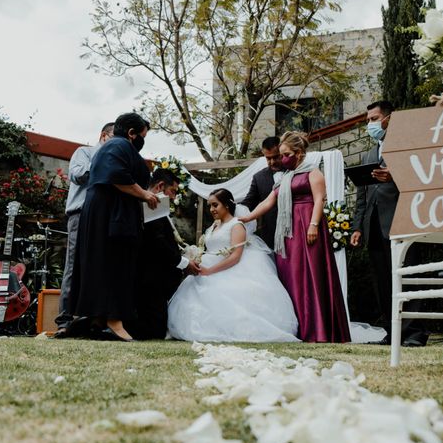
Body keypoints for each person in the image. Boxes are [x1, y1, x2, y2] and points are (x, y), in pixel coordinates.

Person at [241, 132, 350, 343]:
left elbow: (320, 200)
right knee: (292, 275)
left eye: (285, 154)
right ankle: (298, 326)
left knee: (312, 274)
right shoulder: (285, 177)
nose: (282, 159)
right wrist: (248, 217)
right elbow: (268, 201)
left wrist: (313, 225)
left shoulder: (313, 173)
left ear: (299, 154)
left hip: (308, 225)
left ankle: (318, 328)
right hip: (288, 231)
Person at [66, 113, 158, 341]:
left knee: (105, 262)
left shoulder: (116, 146)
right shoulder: (117, 145)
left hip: (109, 211)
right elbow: (116, 175)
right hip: (109, 213)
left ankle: (97, 319)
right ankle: (113, 320)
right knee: (112, 262)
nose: (143, 141)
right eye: (142, 136)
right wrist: (145, 194)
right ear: (131, 133)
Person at [167, 188, 299, 342]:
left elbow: (236, 256)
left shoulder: (236, 225)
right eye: (210, 206)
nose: (212, 209)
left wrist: (210, 271)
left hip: (230, 269)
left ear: (227, 205)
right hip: (208, 267)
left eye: (215, 205)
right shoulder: (214, 226)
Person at [349, 100, 427, 347]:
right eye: (368, 120)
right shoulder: (369, 154)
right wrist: (357, 227)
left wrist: (395, 176)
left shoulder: (407, 147)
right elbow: (362, 196)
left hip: (401, 220)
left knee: (408, 276)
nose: (370, 124)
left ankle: (414, 332)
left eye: (374, 119)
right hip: (373, 226)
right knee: (383, 281)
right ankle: (392, 331)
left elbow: (422, 181)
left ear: (389, 118)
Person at [54, 122, 114, 336]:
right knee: (73, 265)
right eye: (114, 139)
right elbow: (77, 175)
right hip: (80, 214)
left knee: (99, 267)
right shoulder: (85, 152)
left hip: (104, 218)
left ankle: (93, 320)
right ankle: (65, 320)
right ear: (104, 136)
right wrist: (104, 162)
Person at [132, 168, 200, 340]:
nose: (174, 197)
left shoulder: (157, 206)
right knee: (153, 330)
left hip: (156, 280)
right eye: (173, 191)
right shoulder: (151, 205)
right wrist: (184, 263)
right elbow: (158, 243)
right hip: (149, 278)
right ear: (161, 186)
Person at [241, 137, 283, 249]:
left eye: (276, 157)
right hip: (270, 234)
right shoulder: (259, 178)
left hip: (297, 231)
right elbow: (248, 203)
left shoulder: (295, 172)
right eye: (268, 158)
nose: (272, 162)